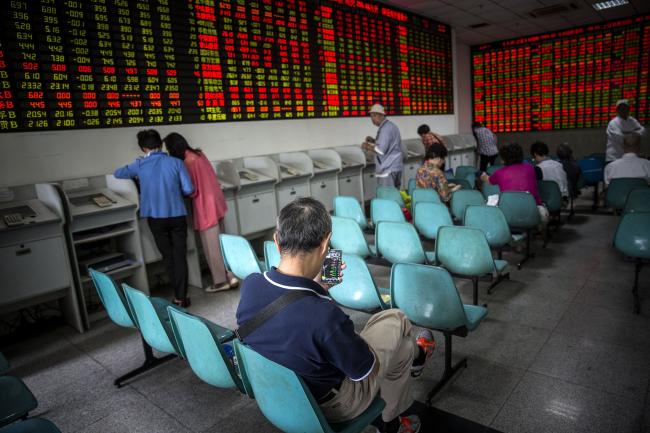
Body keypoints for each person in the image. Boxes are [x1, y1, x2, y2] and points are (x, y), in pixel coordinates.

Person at [236, 198, 435, 433]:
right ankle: (393, 417)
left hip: (277, 393)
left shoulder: (251, 284)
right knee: (396, 319)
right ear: (325, 244)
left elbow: (295, 316)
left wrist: (321, 288)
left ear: (277, 243)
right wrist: (327, 303)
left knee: (403, 352)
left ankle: (407, 375)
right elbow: (364, 369)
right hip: (331, 405)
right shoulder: (324, 314)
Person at [114, 130, 194, 307]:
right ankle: (182, 296)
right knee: (179, 256)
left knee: (168, 257)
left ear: (143, 148)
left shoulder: (140, 165)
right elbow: (188, 189)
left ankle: (177, 295)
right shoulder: (176, 162)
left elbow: (117, 173)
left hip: (155, 218)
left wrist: (138, 170)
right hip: (177, 215)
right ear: (160, 144)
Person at [163, 132, 239, 293]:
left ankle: (220, 282)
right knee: (222, 244)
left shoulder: (187, 162)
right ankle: (231, 276)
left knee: (211, 248)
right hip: (217, 203)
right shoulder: (199, 154)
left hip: (205, 207)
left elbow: (191, 189)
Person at [480, 143, 548, 223]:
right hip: (532, 212)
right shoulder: (530, 169)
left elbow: (488, 180)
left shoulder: (500, 173)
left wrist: (483, 175)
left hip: (509, 215)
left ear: (504, 158)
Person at [362, 104, 403, 188]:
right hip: (394, 167)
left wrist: (367, 146)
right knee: (394, 194)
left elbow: (381, 150)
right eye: (371, 116)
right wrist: (373, 140)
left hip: (388, 169)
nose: (372, 119)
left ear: (381, 115)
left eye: (373, 116)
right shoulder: (390, 126)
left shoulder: (385, 129)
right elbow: (389, 143)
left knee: (387, 197)